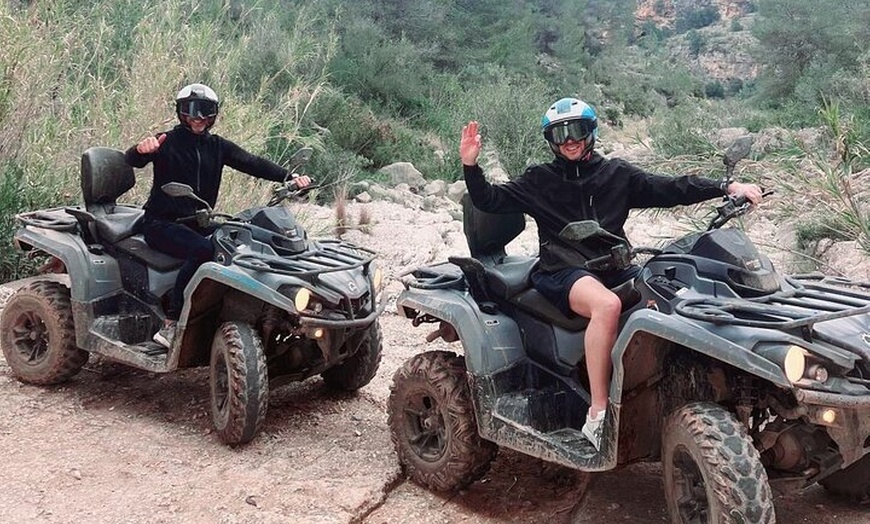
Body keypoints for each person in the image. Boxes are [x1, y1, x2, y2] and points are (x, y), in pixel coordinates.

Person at [459, 97, 762, 451]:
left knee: (672, 297)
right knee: (606, 306)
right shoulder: (540, 179)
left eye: (577, 131)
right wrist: (470, 164)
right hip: (563, 271)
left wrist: (726, 188)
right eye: (560, 134)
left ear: (591, 133)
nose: (569, 140)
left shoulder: (617, 174)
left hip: (615, 266)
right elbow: (490, 200)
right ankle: (599, 413)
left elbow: (671, 187)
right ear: (551, 141)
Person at [125, 83, 311, 348]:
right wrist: (140, 150)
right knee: (202, 251)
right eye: (190, 110)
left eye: (205, 110)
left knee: (241, 240)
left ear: (214, 114)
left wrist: (289, 177)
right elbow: (133, 159)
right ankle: (171, 323)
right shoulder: (166, 141)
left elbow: (252, 162)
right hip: (161, 223)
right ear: (180, 112)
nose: (198, 117)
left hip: (197, 222)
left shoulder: (218, 146)